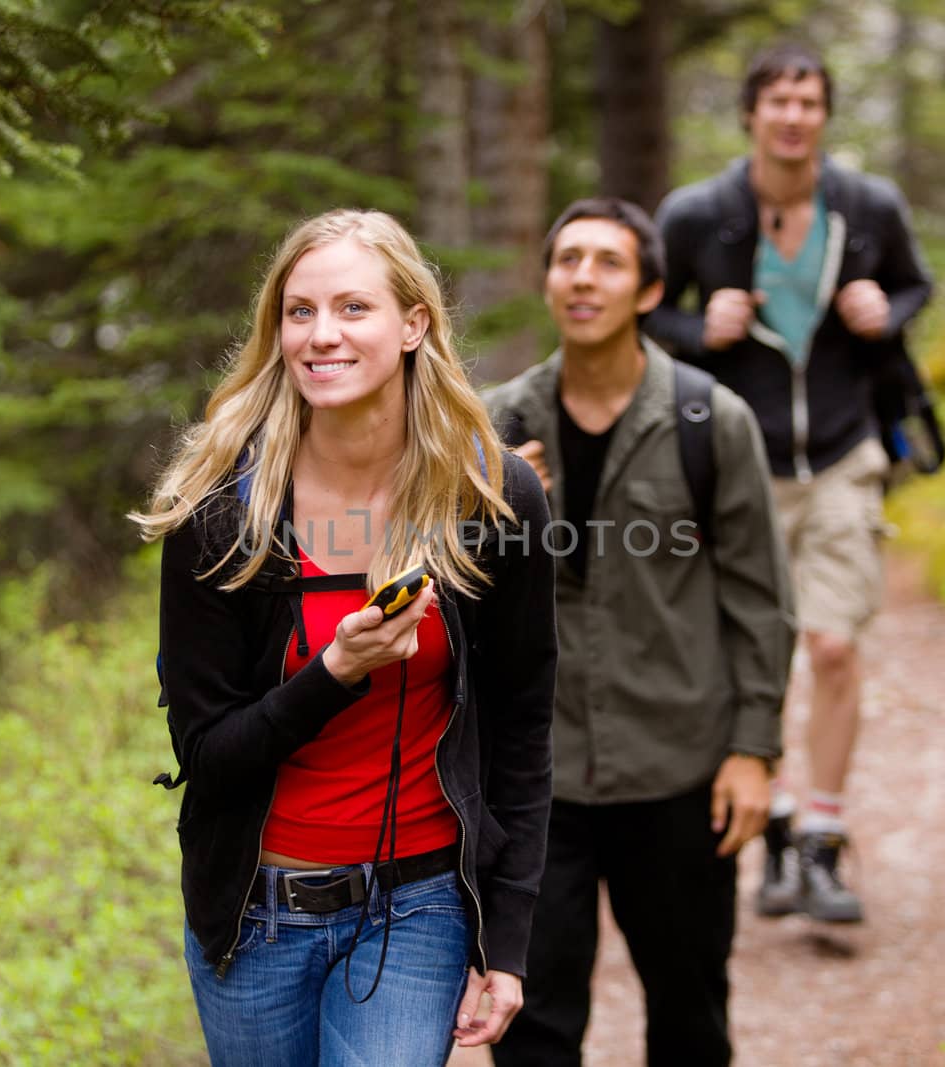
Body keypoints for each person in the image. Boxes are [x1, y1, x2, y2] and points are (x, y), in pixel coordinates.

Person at [131, 208, 557, 1066]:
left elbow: (521, 728)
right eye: (300, 312)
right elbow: (208, 754)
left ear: (413, 324)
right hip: (255, 916)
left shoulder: (490, 496)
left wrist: (504, 946)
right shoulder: (221, 513)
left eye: (353, 309)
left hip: (419, 904)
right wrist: (334, 671)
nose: (322, 335)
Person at [486, 197, 795, 1067]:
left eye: (608, 262)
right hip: (534, 782)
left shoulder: (710, 419)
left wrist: (752, 750)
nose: (583, 277)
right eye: (567, 258)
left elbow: (760, 600)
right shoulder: (491, 427)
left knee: (689, 1009)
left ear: (651, 289)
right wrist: (498, 511)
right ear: (548, 280)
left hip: (679, 768)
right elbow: (449, 598)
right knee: (531, 1022)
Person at [648, 42, 935, 924]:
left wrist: (887, 314)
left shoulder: (868, 205)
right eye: (777, 99)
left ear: (824, 115)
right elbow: (645, 310)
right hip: (734, 464)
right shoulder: (698, 214)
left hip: (846, 454)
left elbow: (917, 286)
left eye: (808, 100)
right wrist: (700, 330)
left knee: (835, 644)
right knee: (742, 651)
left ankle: (821, 836)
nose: (793, 115)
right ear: (750, 113)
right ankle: (768, 822)